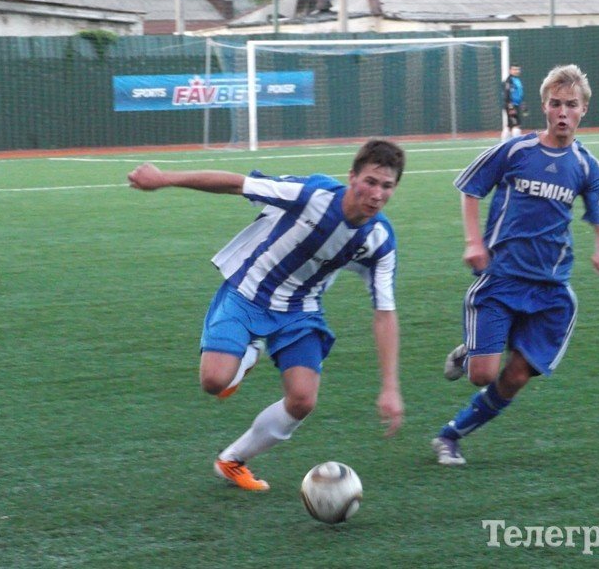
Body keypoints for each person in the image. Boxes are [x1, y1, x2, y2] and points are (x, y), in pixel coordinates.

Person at [127, 139, 405, 490]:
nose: (377, 194)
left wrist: (390, 387)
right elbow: (235, 183)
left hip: (300, 310)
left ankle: (232, 459)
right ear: (351, 177)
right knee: (214, 382)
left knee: (303, 399)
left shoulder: (380, 241)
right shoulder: (310, 195)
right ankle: (249, 351)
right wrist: (163, 178)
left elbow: (385, 312)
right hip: (249, 291)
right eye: (370, 181)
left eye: (387, 186)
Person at [431, 64, 599, 466]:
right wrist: (473, 241)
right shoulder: (517, 150)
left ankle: (451, 436)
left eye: (571, 105)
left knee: (516, 376)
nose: (563, 113)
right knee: (483, 374)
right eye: (556, 104)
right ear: (544, 106)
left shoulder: (587, 167)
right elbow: (470, 187)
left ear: (584, 109)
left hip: (550, 289)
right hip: (501, 277)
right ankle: (471, 352)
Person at [501, 63, 526, 142]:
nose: (516, 71)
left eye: (518, 69)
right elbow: (506, 94)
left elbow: (519, 94)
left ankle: (503, 143)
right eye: (514, 69)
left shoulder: (517, 80)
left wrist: (523, 104)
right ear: (510, 70)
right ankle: (516, 144)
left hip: (517, 105)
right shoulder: (509, 80)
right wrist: (510, 106)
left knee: (509, 125)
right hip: (511, 105)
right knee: (516, 125)